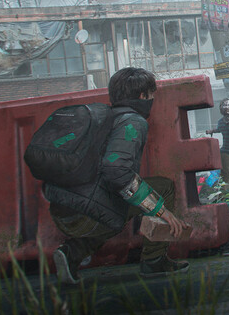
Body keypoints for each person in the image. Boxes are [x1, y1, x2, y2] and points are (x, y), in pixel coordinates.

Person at [44, 67, 190, 284]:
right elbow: (116, 171)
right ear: (143, 96)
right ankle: (154, 260)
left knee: (116, 200)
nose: (152, 100)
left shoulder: (99, 118)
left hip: (63, 211)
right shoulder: (133, 121)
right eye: (151, 95)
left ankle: (72, 252)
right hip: (86, 216)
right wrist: (159, 210)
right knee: (161, 188)